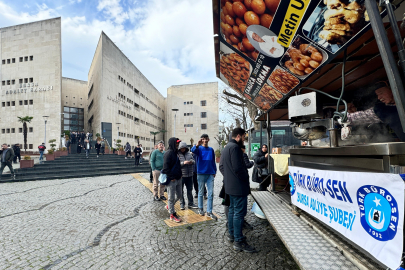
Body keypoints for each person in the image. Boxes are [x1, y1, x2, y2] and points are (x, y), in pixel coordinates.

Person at [219, 128, 257, 253]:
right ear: (239, 136)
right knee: (238, 214)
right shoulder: (235, 148)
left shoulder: (226, 148)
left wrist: (229, 178)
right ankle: (239, 241)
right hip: (238, 187)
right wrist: (245, 178)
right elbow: (238, 168)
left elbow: (222, 167)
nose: (244, 140)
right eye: (244, 137)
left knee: (232, 211)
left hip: (230, 186)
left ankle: (232, 235)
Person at [191, 134, 217, 220]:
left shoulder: (211, 149)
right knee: (200, 192)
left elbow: (213, 161)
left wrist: (214, 171)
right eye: (203, 139)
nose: (205, 140)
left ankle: (209, 211)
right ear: (201, 140)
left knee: (211, 193)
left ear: (208, 139)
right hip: (201, 173)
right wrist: (197, 144)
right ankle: (200, 208)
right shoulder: (199, 149)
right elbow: (192, 150)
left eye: (206, 139)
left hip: (210, 174)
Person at [161, 137, 183, 223]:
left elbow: (178, 165)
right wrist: (172, 177)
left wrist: (180, 174)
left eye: (178, 143)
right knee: (171, 198)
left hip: (178, 178)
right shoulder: (168, 153)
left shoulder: (176, 152)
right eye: (176, 143)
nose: (178, 144)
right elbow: (165, 168)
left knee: (179, 195)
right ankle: (172, 214)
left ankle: (169, 206)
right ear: (172, 143)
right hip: (171, 180)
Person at [178, 142, 198, 210]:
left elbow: (194, 161)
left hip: (190, 175)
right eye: (182, 148)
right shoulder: (178, 155)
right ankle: (182, 204)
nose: (183, 149)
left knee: (189, 190)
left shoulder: (189, 154)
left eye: (184, 148)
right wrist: (183, 163)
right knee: (181, 191)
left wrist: (191, 161)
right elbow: (177, 164)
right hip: (182, 176)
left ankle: (190, 203)